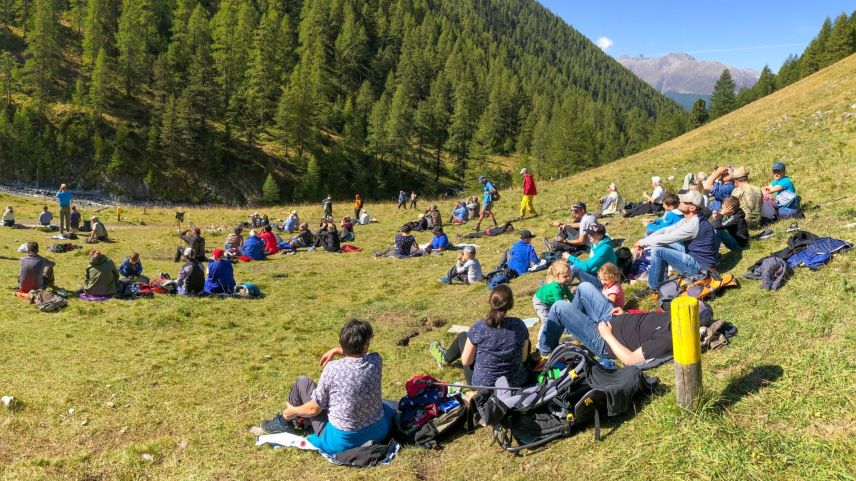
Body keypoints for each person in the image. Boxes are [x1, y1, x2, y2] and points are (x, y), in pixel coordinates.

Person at [255, 319, 393, 455]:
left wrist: (290, 411)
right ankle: (298, 421)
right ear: (364, 346)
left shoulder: (333, 369)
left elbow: (314, 409)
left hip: (342, 441)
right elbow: (361, 355)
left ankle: (285, 421)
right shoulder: (376, 361)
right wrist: (338, 351)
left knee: (303, 382)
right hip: (378, 432)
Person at [538, 282, 675, 366]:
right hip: (615, 317)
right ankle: (571, 327)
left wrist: (607, 336)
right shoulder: (677, 315)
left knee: (559, 307)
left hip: (605, 340)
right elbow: (645, 323)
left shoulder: (669, 338)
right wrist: (626, 314)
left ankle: (546, 351)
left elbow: (631, 360)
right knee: (584, 287)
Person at [429, 285, 530, 388]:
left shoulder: (479, 327)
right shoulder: (519, 325)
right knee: (526, 340)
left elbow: (466, 361)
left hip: (484, 386)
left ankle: (444, 358)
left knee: (463, 336)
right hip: (516, 382)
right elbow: (523, 358)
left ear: (489, 301)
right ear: (511, 304)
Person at [632, 190, 719, 296]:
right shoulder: (689, 220)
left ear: (692, 208)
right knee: (657, 245)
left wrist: (642, 243)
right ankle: (661, 281)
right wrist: (641, 242)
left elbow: (668, 237)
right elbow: (666, 231)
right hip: (693, 257)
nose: (679, 202)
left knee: (658, 250)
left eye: (683, 201)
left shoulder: (693, 225)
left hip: (701, 269)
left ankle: (654, 287)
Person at [562, 223, 617, 289]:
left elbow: (587, 267)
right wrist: (570, 259)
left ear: (600, 236)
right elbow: (590, 265)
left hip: (604, 283)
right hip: (596, 274)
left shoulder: (604, 248)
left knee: (575, 268)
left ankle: (559, 287)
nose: (588, 235)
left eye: (592, 234)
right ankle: (558, 285)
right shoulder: (596, 243)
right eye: (588, 233)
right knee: (569, 264)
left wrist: (569, 256)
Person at [532, 262, 573, 341]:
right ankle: (540, 342)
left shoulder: (564, 284)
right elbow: (559, 305)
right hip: (540, 301)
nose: (568, 278)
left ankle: (553, 335)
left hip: (549, 302)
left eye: (569, 275)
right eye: (565, 276)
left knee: (553, 319)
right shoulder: (555, 288)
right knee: (546, 321)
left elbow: (570, 296)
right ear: (556, 277)